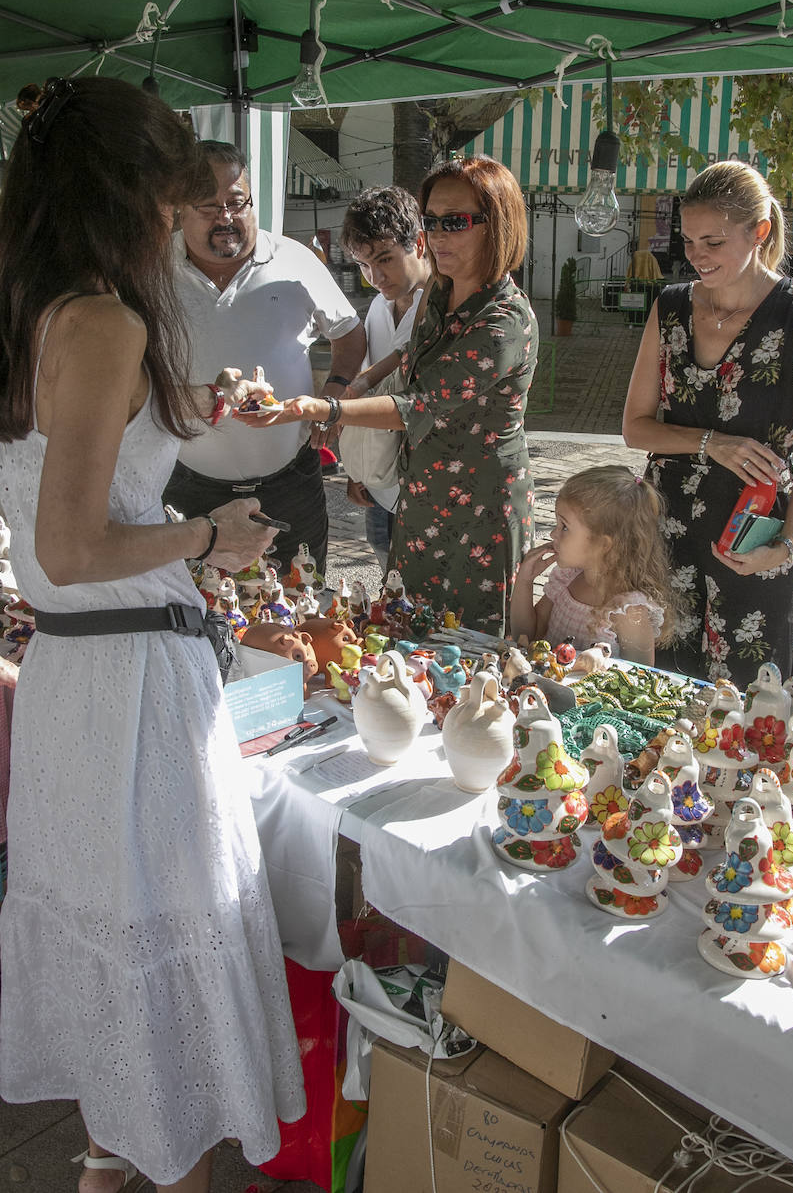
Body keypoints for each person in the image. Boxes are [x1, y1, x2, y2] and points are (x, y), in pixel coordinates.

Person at [0, 78, 306, 1193]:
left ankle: (109, 1152)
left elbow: (62, 505)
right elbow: (74, 546)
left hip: (76, 678)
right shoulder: (103, 320)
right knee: (162, 924)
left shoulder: (32, 308)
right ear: (127, 195)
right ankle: (155, 1161)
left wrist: (175, 417)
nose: (173, 221)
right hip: (129, 675)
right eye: (168, 196)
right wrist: (205, 535)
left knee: (108, 923)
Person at [241, 156, 538, 633]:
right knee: (406, 635)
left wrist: (327, 406)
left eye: (455, 222)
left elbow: (421, 403)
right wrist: (354, 400)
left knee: (473, 651)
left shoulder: (504, 317)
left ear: (496, 224)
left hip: (478, 507)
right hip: (421, 493)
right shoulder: (441, 295)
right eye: (432, 221)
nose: (438, 235)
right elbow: (406, 362)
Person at [622, 160, 793, 689]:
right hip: (663, 533)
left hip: (754, 538)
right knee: (661, 696)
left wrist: (786, 544)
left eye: (713, 242)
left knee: (749, 710)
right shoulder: (671, 308)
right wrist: (710, 443)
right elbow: (635, 427)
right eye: (689, 241)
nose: (696, 256)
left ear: (759, 231)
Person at [164, 140, 366, 576]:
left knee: (299, 611)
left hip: (289, 485)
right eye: (208, 206)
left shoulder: (294, 260)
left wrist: (331, 398)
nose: (227, 218)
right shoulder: (151, 271)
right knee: (193, 619)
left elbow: (350, 335)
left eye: (237, 203)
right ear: (180, 208)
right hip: (187, 488)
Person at [338, 185, 430, 568]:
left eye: (385, 259)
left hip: (427, 483)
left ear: (419, 243)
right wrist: (355, 469)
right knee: (388, 592)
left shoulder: (447, 305)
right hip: (379, 482)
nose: (375, 276)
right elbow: (368, 387)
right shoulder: (378, 306)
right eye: (363, 264)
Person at [510, 465, 679, 665]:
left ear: (603, 544)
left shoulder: (627, 610)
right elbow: (526, 636)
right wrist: (525, 582)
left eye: (564, 527)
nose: (553, 534)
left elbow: (639, 678)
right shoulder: (567, 579)